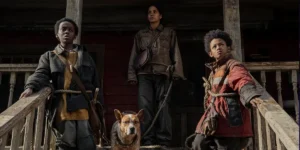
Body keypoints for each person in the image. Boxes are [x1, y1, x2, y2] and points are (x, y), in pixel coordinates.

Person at [20, 18, 103, 150]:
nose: (66, 32)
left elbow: (95, 82)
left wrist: (99, 106)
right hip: (62, 105)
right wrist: (31, 87)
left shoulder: (86, 57)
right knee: (66, 141)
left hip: (83, 105)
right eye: (63, 29)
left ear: (75, 35)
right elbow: (40, 73)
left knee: (86, 141)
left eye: (70, 30)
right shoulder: (48, 57)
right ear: (57, 34)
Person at [191, 29, 263, 150]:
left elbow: (241, 79)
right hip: (213, 116)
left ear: (228, 48)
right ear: (211, 53)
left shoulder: (234, 65)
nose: (218, 47)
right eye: (214, 46)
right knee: (198, 144)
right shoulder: (213, 71)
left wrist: (250, 94)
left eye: (221, 44)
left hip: (230, 118)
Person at [127, 4, 185, 147]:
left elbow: (175, 52)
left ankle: (164, 140)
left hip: (163, 73)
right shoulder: (141, 35)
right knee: (144, 107)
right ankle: (148, 139)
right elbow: (134, 55)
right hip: (144, 74)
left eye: (155, 12)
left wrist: (177, 72)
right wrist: (131, 75)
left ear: (160, 16)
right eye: (149, 12)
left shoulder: (169, 33)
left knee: (163, 107)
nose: (151, 14)